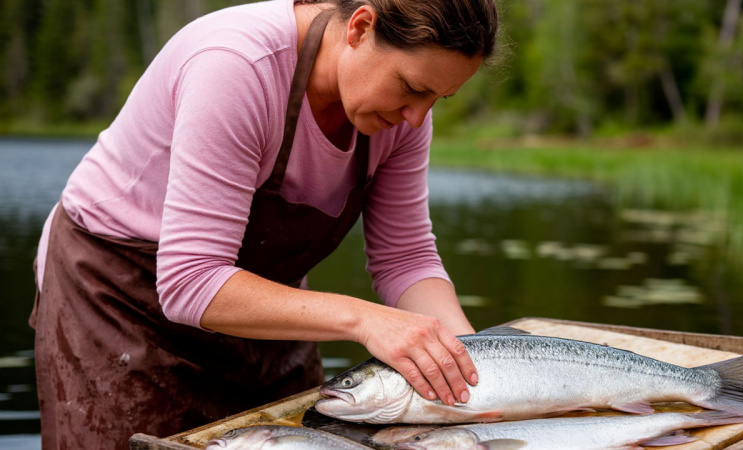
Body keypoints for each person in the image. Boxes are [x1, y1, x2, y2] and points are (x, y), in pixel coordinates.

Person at [29, 0, 498, 448]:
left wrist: (477, 372)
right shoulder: (236, 66)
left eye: (440, 98)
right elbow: (191, 280)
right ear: (359, 28)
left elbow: (406, 258)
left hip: (263, 313)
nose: (418, 118)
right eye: (413, 88)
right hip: (120, 304)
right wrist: (367, 319)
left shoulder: (399, 117)